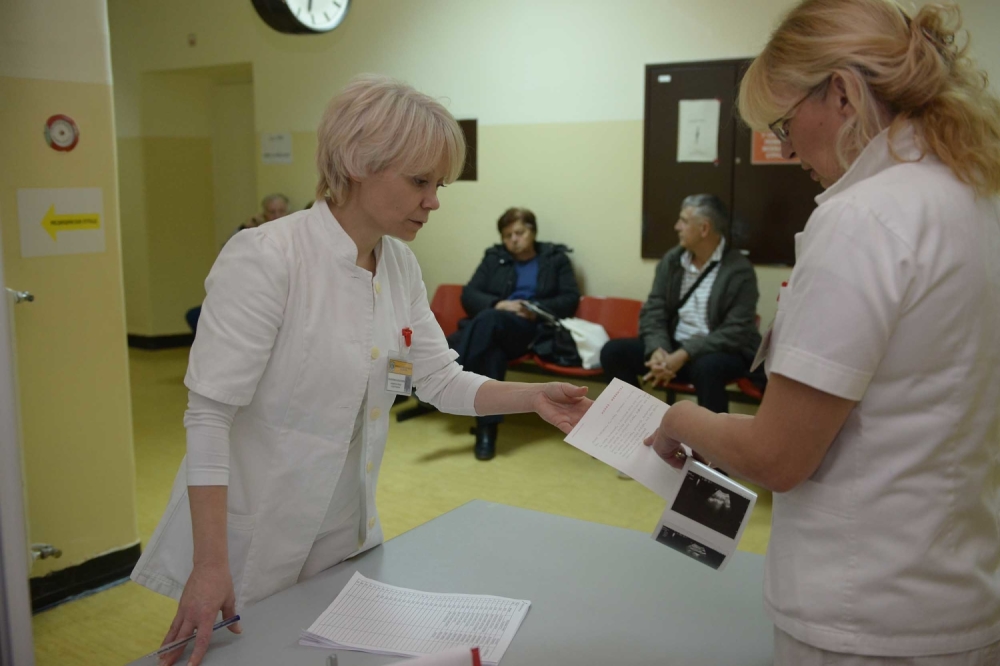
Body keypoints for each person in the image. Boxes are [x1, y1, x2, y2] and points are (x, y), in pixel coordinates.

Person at [132, 75, 592, 666]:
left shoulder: (398, 264)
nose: (434, 201)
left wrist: (532, 399)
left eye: (439, 184)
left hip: (345, 531)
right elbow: (208, 417)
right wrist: (210, 563)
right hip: (251, 537)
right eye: (420, 182)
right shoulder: (267, 257)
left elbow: (440, 380)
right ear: (355, 162)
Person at [644, 1, 1000, 663]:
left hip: (865, 608)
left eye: (783, 123)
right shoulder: (972, 198)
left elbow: (779, 458)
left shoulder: (864, 219)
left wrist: (684, 418)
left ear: (841, 92)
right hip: (957, 587)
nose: (782, 147)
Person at [599, 194, 762, 414]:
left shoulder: (739, 270)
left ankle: (710, 444)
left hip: (718, 352)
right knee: (613, 351)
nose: (677, 227)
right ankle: (638, 425)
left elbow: (736, 331)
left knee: (707, 368)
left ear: (704, 228)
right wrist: (659, 350)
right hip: (672, 347)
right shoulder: (673, 261)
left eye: (684, 221)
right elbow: (653, 311)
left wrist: (684, 354)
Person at [449, 207, 580, 460]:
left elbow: (570, 299)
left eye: (519, 233)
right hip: (494, 330)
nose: (513, 240)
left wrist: (536, 310)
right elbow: (469, 294)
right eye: (507, 235)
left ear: (532, 231)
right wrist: (499, 304)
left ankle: (451, 375)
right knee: (492, 353)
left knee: (484, 323)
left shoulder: (555, 259)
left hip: (531, 330)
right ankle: (486, 432)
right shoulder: (495, 258)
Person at [185, 194, 294, 334]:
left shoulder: (293, 233)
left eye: (281, 211)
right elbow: (228, 253)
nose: (277, 216)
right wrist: (245, 227)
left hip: (270, 297)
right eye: (272, 212)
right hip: (245, 292)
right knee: (199, 315)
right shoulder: (255, 232)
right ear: (264, 214)